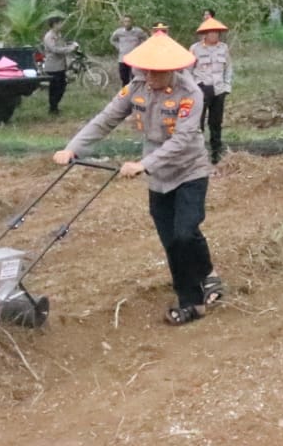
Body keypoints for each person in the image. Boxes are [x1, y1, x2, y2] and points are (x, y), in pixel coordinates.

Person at [53, 26, 222, 325]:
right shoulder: (135, 88)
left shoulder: (190, 94)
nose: (151, 77)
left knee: (186, 232)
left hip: (189, 170)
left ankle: (199, 289)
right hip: (159, 178)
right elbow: (105, 119)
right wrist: (72, 149)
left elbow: (182, 140)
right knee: (172, 241)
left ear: (173, 69)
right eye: (146, 71)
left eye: (158, 72)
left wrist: (144, 164)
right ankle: (195, 293)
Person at [191, 16, 232, 165]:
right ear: (205, 34)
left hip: (219, 89)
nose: (215, 35)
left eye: (217, 32)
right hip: (201, 89)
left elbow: (228, 68)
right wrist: (194, 87)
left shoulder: (223, 48)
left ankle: (216, 153)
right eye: (212, 32)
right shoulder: (195, 49)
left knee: (216, 123)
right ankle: (199, 154)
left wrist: (227, 86)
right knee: (198, 123)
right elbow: (189, 70)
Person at [41, 15, 77, 115]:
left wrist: (70, 46)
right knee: (55, 88)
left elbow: (62, 46)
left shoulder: (59, 35)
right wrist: (69, 49)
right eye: (60, 23)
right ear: (55, 24)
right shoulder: (49, 36)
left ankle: (55, 106)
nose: (62, 25)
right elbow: (55, 49)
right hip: (53, 66)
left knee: (62, 86)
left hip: (61, 65)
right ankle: (53, 108)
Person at [109, 15, 148, 86]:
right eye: (125, 21)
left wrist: (140, 48)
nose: (127, 23)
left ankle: (134, 93)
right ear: (123, 23)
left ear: (132, 22)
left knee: (135, 77)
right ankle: (125, 94)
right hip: (123, 58)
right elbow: (112, 40)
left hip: (134, 58)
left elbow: (145, 39)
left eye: (129, 21)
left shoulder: (138, 31)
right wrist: (119, 47)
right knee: (123, 77)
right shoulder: (119, 32)